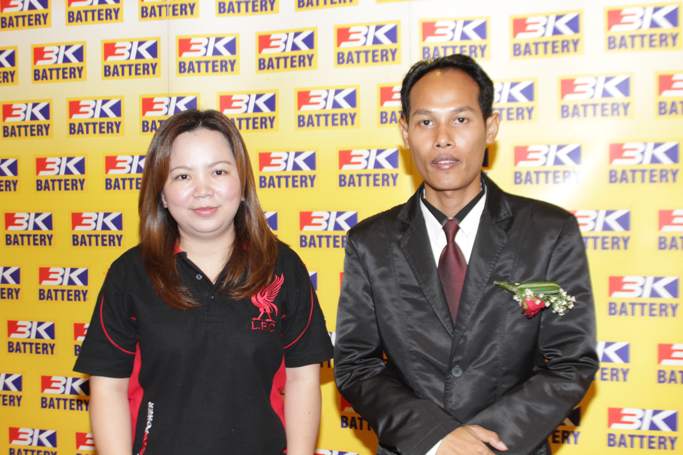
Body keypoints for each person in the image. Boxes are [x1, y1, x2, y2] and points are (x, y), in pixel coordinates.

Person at [333, 54, 598, 455]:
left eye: (460, 119)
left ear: (490, 126)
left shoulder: (548, 233)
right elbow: (356, 364)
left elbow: (571, 361)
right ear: (405, 132)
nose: (442, 138)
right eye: (425, 122)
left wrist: (484, 442)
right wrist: (436, 437)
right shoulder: (370, 242)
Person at [74, 109, 333, 454]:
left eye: (218, 171)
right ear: (162, 194)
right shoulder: (130, 274)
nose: (203, 190)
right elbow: (109, 387)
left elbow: (303, 378)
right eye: (182, 176)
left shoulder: (282, 267)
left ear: (242, 183)